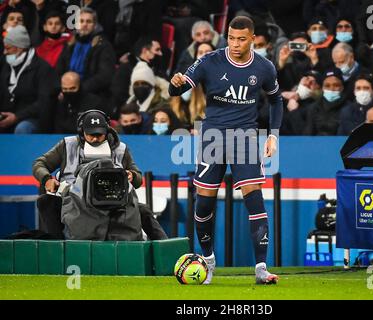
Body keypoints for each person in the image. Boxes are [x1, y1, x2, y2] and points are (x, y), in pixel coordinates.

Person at [169, 16, 283, 285]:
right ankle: (208, 261)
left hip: (244, 137)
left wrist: (273, 136)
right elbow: (181, 88)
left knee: (254, 199)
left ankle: (261, 269)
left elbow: (276, 100)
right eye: (231, 38)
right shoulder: (210, 60)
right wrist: (176, 84)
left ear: (252, 39)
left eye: (241, 39)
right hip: (212, 137)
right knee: (204, 201)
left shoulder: (264, 67)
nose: (235, 44)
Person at [32, 109, 167, 240]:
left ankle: (166, 250)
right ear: (81, 131)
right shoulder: (67, 145)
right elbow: (39, 164)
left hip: (112, 202)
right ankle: (59, 249)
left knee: (142, 209)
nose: (95, 138)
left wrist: (132, 175)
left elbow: (138, 179)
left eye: (99, 134)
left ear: (107, 131)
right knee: (46, 202)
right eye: (91, 134)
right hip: (73, 201)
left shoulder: (121, 149)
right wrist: (47, 179)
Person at [0, 25, 57, 133]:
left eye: (8, 48)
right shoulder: (5, 65)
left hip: (33, 118)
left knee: (23, 128)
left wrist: (17, 116)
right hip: (8, 115)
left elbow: (44, 102)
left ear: (20, 48)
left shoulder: (42, 68)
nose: (5, 52)